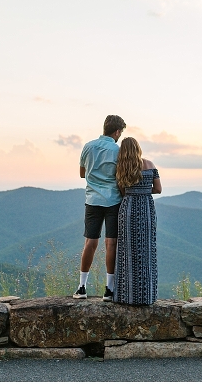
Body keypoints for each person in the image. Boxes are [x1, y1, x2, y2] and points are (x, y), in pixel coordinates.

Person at [74, 114, 126, 301]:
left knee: (90, 242)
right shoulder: (118, 150)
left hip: (92, 200)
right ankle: (109, 290)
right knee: (111, 243)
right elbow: (120, 178)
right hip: (113, 200)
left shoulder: (88, 146)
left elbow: (82, 173)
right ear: (117, 131)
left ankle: (81, 287)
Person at [113, 137, 162, 305]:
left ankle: (125, 296)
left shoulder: (121, 168)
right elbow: (158, 189)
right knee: (147, 250)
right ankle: (147, 296)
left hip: (128, 208)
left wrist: (133, 191)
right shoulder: (150, 165)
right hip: (146, 208)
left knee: (127, 252)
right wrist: (144, 190)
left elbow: (121, 191)